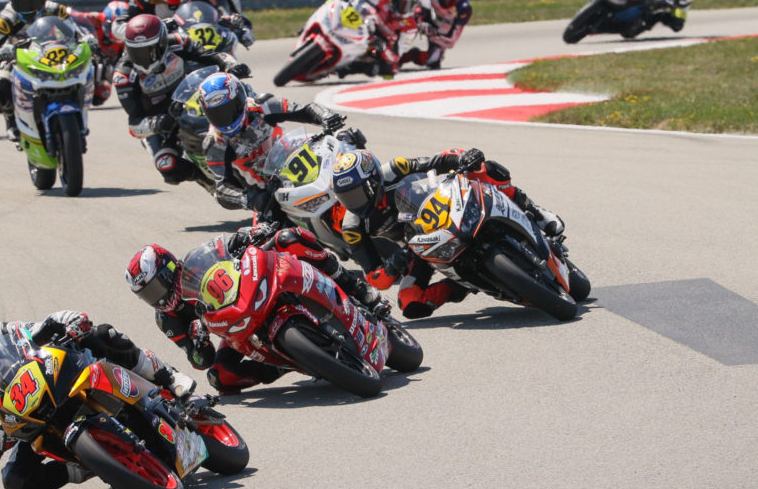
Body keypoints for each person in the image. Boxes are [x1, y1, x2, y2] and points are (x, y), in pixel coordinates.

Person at [0, 309, 196, 489]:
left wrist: (68, 320)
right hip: (25, 422)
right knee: (15, 481)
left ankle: (169, 377)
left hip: (53, 380)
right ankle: (87, 466)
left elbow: (38, 329)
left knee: (102, 335)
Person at [125, 224, 389, 395]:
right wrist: (198, 342)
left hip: (252, 291)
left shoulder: (195, 264)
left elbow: (227, 246)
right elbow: (198, 361)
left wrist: (251, 234)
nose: (157, 299)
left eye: (156, 288)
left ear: (170, 269)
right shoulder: (168, 320)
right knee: (219, 377)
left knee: (289, 238)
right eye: (147, 295)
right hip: (237, 330)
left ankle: (353, 286)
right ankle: (284, 365)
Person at [331, 147, 565, 319]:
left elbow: (438, 161)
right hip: (419, 247)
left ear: (372, 181)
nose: (352, 203)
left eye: (355, 194)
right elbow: (374, 278)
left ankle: (536, 211)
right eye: (345, 198)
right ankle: (461, 284)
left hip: (443, 206)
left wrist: (462, 158)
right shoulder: (353, 227)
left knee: (483, 168)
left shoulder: (394, 169)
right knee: (410, 302)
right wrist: (393, 264)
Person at [111, 13, 251, 185]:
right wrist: (158, 123)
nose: (142, 57)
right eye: (135, 52)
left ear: (161, 44)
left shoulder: (178, 42)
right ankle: (209, 183)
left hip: (190, 97)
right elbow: (134, 124)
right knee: (167, 166)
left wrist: (232, 65)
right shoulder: (124, 76)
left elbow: (213, 55)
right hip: (161, 121)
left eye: (148, 50)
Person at [197, 71, 346, 211]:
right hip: (269, 193)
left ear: (240, 99)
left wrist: (326, 116)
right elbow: (222, 188)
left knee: (344, 144)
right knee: (279, 237)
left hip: (298, 158)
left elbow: (305, 110)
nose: (224, 118)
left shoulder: (262, 105)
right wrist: (247, 199)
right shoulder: (215, 144)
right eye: (215, 113)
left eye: (228, 109)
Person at [0, 0, 77, 141]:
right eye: (21, 2)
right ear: (12, 1)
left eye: (33, 1)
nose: (29, 7)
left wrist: (88, 40)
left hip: (53, 56)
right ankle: (11, 120)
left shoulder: (56, 10)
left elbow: (77, 33)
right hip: (19, 57)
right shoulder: (8, 17)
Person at [374, 0, 473, 69]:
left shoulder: (464, 9)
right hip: (427, 12)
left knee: (432, 60)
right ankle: (381, 12)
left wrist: (432, 34)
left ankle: (404, 57)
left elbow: (451, 41)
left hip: (442, 28)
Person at [330, 0, 422, 76]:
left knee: (388, 69)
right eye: (401, 2)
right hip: (362, 23)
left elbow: (396, 56)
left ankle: (342, 68)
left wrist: (383, 48)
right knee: (342, 3)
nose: (404, 8)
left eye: (408, 4)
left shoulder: (410, 26)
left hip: (377, 42)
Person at [68, 0, 129, 105]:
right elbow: (72, 15)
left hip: (105, 66)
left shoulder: (128, 40)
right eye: (113, 26)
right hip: (86, 54)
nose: (117, 31)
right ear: (105, 21)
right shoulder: (95, 18)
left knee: (102, 94)